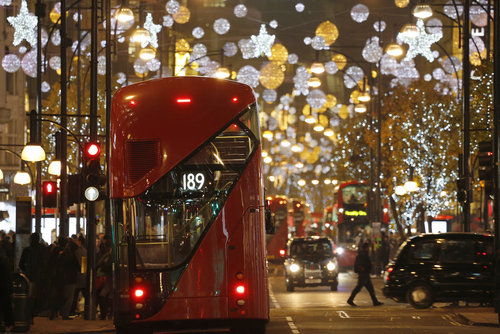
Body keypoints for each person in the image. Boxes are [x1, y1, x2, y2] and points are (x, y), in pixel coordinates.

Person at [19, 232, 47, 324]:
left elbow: (21, 264)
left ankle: (30, 315)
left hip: (30, 277)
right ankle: (36, 312)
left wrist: (26, 272)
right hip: (42, 277)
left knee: (30, 297)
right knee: (40, 296)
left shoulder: (27, 250)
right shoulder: (43, 249)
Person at [347, 242, 383, 307]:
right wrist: (370, 264)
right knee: (358, 288)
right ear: (366, 248)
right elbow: (363, 263)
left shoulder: (362, 254)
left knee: (370, 288)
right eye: (368, 247)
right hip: (363, 274)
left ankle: (375, 301)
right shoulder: (363, 254)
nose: (369, 249)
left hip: (365, 274)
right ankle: (350, 300)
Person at [58, 241, 80, 320]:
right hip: (71, 279)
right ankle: (65, 314)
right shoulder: (72, 257)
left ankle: (59, 312)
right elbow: (77, 267)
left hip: (62, 278)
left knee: (63, 296)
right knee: (69, 298)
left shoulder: (62, 255)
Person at [70, 235, 87, 316]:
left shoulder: (78, 252)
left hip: (79, 276)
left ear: (79, 241)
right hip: (84, 275)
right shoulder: (85, 251)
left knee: (74, 295)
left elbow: (79, 264)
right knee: (85, 294)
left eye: (77, 239)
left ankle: (72, 310)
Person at [0, 245, 14, 333]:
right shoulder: (4, 259)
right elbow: (9, 275)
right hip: (3, 286)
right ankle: (8, 326)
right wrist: (11, 290)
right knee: (6, 307)